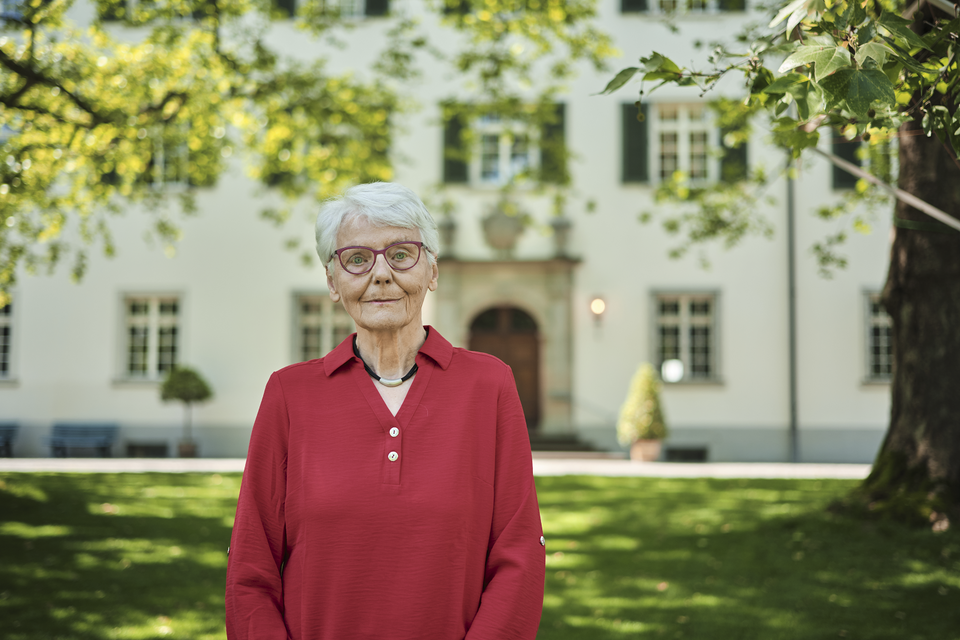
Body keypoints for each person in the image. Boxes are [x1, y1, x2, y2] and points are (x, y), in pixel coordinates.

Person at [225, 182, 546, 640]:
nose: (380, 274)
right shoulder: (289, 394)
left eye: (401, 254)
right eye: (357, 259)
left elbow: (520, 557)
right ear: (333, 282)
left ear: (432, 271)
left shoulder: (489, 385)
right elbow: (249, 569)